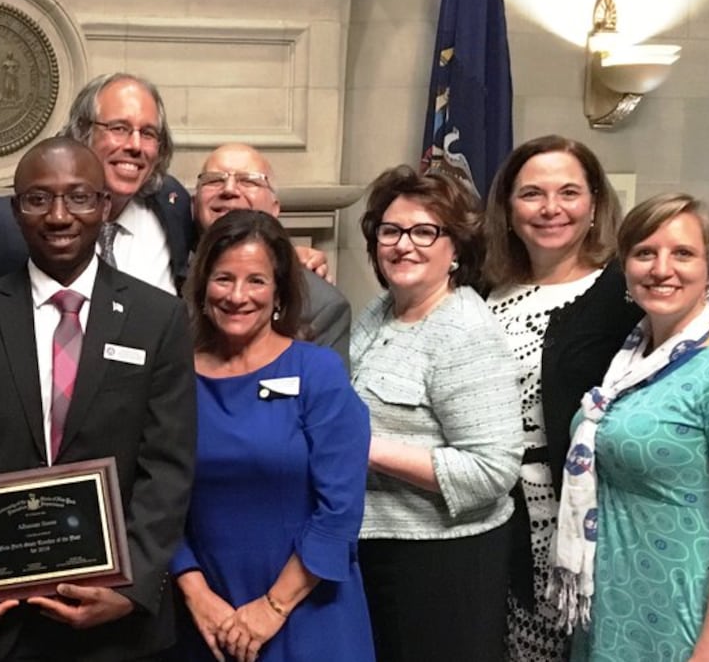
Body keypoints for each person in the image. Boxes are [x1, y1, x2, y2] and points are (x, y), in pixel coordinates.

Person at [0, 136, 196, 662]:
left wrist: (132, 586)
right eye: (38, 198)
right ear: (16, 210)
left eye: (79, 197)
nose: (59, 215)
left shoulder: (159, 319)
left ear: (105, 207)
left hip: (117, 627)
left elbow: (168, 468)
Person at [555, 194, 709, 662]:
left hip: (699, 618)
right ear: (625, 268)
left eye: (682, 253)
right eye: (645, 253)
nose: (661, 268)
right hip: (630, 606)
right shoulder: (633, 358)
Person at [171, 210, 372, 662]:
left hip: (309, 609)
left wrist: (272, 607)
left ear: (279, 290)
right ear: (202, 287)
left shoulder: (317, 372)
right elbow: (153, 495)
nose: (238, 296)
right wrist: (196, 592)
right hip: (206, 618)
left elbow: (340, 509)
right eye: (224, 279)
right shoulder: (174, 375)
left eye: (256, 281)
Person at [349, 165, 520, 662]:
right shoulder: (380, 310)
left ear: (456, 249)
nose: (404, 245)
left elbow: (493, 469)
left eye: (425, 231)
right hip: (381, 547)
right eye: (391, 230)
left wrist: (366, 449)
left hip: (442, 562)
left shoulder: (465, 331)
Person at [480, 135, 639, 662]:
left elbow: (692, 340)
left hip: (578, 518)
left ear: (594, 203)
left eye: (568, 192)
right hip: (493, 515)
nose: (551, 209)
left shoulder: (623, 288)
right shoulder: (486, 290)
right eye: (532, 194)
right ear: (507, 207)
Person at [0, 73, 195, 294]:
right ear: (83, 131)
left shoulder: (172, 204)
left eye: (148, 133)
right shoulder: (6, 225)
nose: (135, 145)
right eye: (119, 128)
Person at [192, 143, 351, 361]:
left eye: (248, 180)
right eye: (214, 180)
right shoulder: (169, 271)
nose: (228, 189)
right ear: (194, 203)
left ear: (275, 207)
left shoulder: (321, 304)